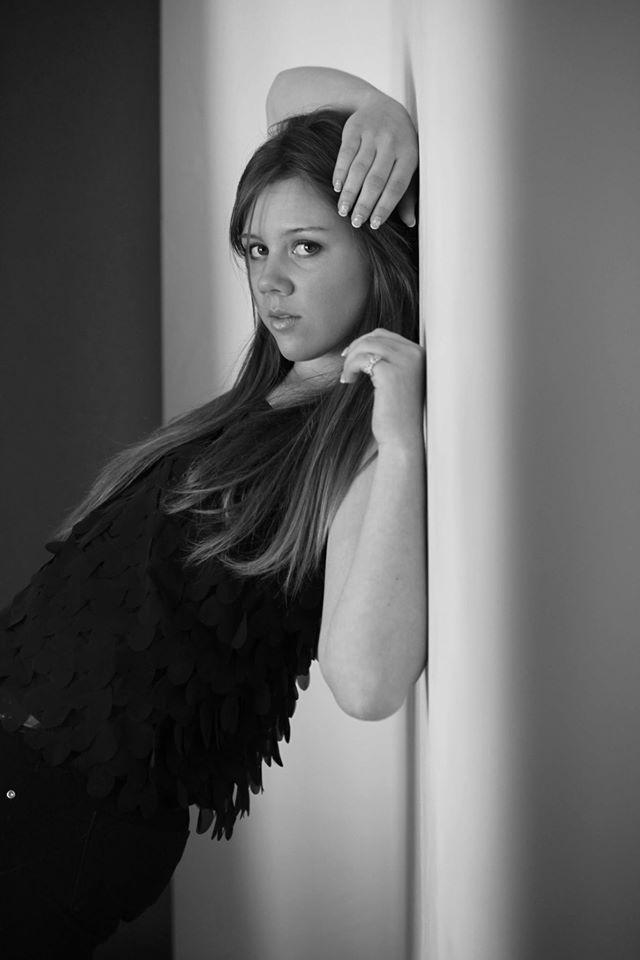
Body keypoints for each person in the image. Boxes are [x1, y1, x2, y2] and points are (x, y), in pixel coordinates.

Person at [0, 66, 425, 957]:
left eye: (306, 248)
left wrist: (400, 442)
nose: (270, 282)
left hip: (60, 820)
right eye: (257, 250)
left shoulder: (351, 450)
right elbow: (284, 96)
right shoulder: (263, 400)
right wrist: (380, 114)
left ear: (378, 248)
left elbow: (369, 685)